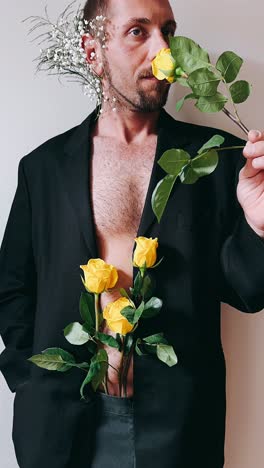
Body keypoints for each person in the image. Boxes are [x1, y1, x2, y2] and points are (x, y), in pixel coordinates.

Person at [1, 0, 264, 467]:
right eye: (138, 32)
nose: (164, 48)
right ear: (93, 51)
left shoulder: (215, 159)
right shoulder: (43, 168)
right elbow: (12, 288)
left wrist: (258, 225)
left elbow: (247, 292)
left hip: (178, 429)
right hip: (61, 430)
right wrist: (30, 379)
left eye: (168, 30)